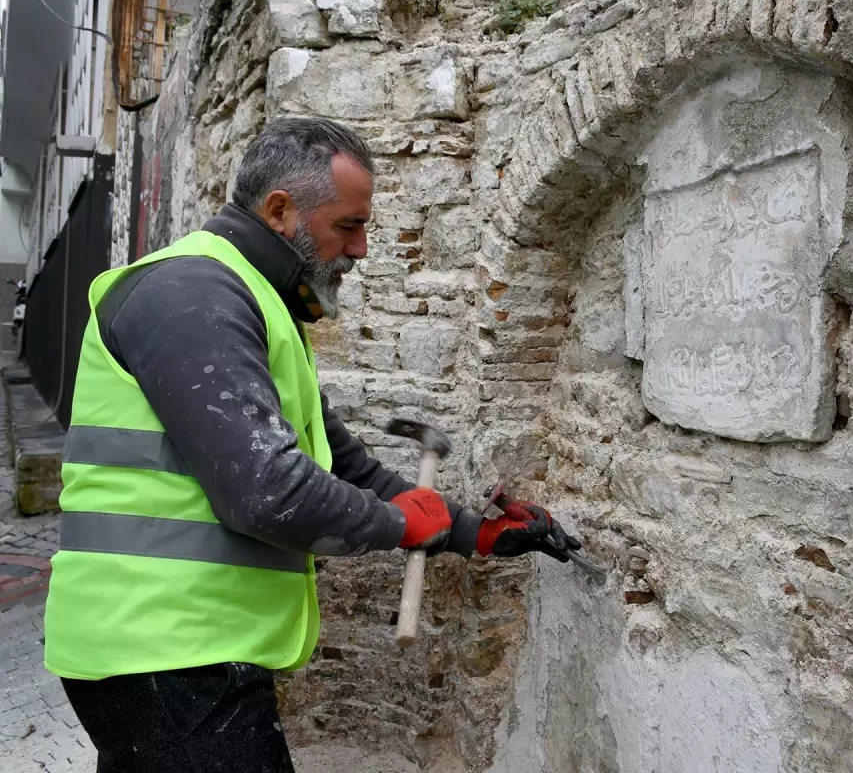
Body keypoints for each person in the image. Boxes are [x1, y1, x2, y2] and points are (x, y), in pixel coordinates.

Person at [43, 116, 579, 772]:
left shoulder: (254, 304)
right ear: (279, 210)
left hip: (178, 649)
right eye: (348, 226)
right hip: (161, 651)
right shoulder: (194, 293)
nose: (358, 249)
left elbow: (343, 462)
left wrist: (469, 532)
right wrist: (392, 523)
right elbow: (267, 492)